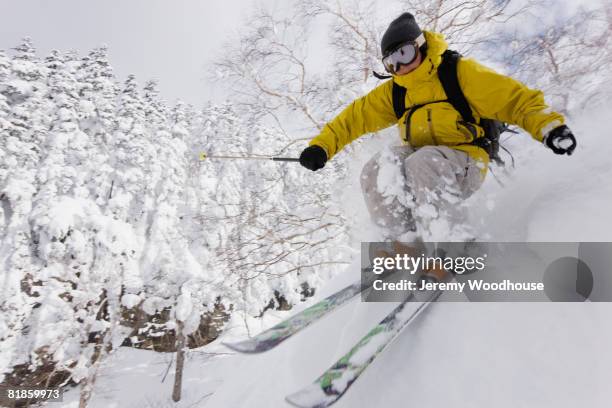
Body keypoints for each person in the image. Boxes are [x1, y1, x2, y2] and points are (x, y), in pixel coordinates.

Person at [298, 12, 577, 241]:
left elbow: (514, 99)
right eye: (391, 62)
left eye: (404, 54)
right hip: (421, 166)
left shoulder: (458, 73)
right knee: (378, 167)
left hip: (466, 161)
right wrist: (321, 147)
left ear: (420, 45)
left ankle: (452, 244)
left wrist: (549, 127)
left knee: (423, 161)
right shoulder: (396, 91)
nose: (400, 67)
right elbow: (352, 119)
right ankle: (402, 244)